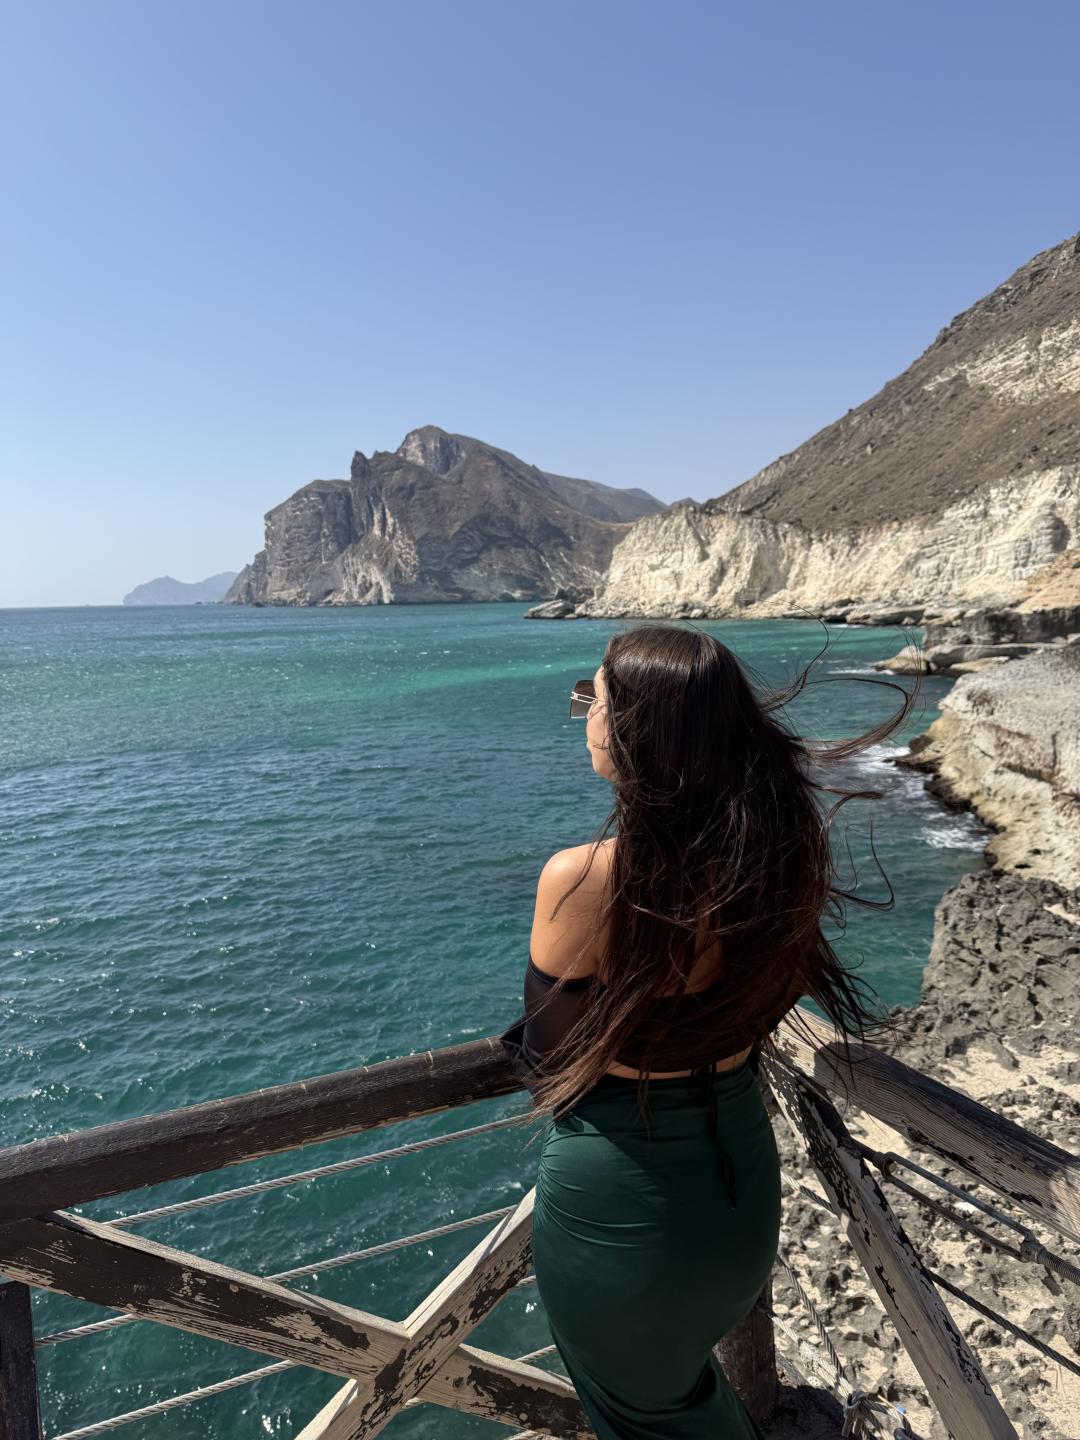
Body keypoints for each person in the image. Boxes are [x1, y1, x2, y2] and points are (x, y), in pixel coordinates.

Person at [499, 621, 922, 1439]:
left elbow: (550, 1056)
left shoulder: (583, 878)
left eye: (595, 698)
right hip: (737, 1180)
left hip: (625, 1201)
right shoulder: (782, 852)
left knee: (646, 1417)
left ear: (640, 729)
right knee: (682, 1409)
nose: (586, 716)